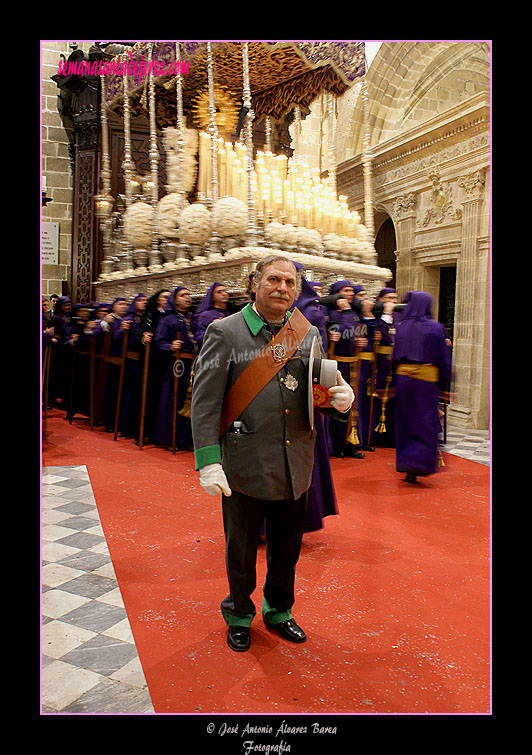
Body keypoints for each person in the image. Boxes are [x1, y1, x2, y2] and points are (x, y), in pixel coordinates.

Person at [190, 255, 354, 652]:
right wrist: (209, 460)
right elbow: (205, 401)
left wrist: (340, 395)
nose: (282, 288)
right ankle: (239, 614)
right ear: (254, 284)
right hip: (245, 461)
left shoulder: (307, 331)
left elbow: (316, 384)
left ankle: (279, 610)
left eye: (290, 282)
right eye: (274, 279)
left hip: (295, 459)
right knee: (242, 551)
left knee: (286, 549)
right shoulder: (224, 332)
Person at [392, 291, 452, 483]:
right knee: (423, 423)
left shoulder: (401, 327)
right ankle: (419, 464)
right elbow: (442, 359)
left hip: (403, 381)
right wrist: (446, 384)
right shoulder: (435, 328)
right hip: (424, 383)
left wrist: (392, 383)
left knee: (405, 422)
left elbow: (394, 358)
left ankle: (406, 464)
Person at [153, 286, 197, 450]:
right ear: (174, 299)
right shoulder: (168, 320)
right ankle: (171, 438)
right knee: (174, 397)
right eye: (183, 295)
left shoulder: (193, 318)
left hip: (192, 363)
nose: (187, 298)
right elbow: (159, 341)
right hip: (176, 364)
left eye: (188, 294)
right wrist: (170, 345)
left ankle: (188, 437)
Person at [327, 281, 367, 459]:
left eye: (352, 291)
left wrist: (362, 342)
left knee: (353, 405)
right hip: (339, 363)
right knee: (338, 404)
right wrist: (347, 312)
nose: (350, 294)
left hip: (353, 363)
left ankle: (351, 442)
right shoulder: (334, 313)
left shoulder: (354, 313)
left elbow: (359, 331)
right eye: (346, 291)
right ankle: (338, 444)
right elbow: (344, 330)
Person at [373, 288, 398, 448]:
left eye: (395, 298)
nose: (393, 301)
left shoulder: (399, 316)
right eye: (389, 298)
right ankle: (377, 436)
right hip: (379, 365)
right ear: (381, 299)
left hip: (394, 365)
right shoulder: (377, 317)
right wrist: (386, 316)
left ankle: (391, 436)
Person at [191, 282, 229, 349]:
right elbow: (199, 338)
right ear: (212, 296)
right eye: (219, 292)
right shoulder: (206, 315)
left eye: (225, 291)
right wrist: (213, 329)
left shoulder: (229, 313)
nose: (224, 294)